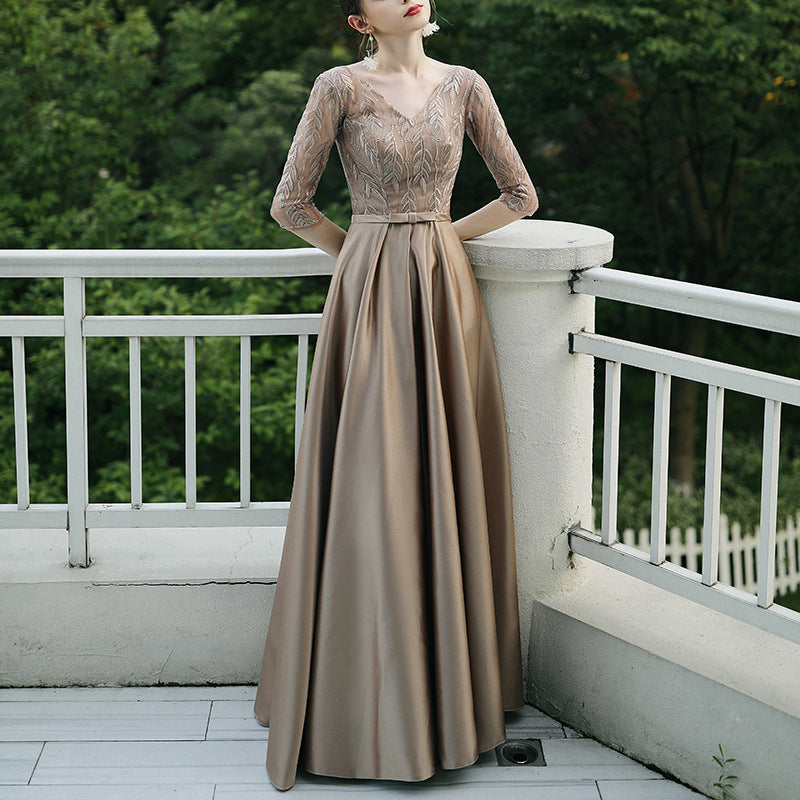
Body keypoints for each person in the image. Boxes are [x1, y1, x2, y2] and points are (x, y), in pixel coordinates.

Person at [253, 0, 539, 790]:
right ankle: (363, 700)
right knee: (373, 485)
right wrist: (363, 251)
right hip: (371, 295)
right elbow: (289, 202)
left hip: (445, 295)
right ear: (358, 20)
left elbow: (520, 195)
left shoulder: (467, 86)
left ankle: (449, 692)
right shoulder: (337, 87)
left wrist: (442, 237)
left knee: (445, 476)